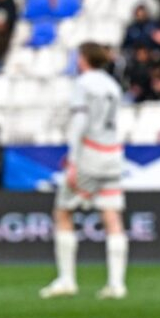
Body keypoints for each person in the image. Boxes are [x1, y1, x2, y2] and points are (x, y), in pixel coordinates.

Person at [40, 43, 129, 300]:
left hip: (90, 153)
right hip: (113, 154)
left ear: (83, 59)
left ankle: (66, 279)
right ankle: (116, 284)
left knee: (63, 212)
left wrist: (73, 160)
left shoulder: (83, 84)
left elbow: (80, 122)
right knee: (112, 216)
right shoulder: (112, 84)